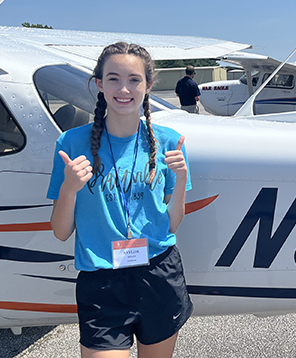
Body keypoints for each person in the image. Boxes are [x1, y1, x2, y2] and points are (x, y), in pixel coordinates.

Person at [47, 42, 192, 358]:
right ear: (99, 84)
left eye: (134, 79)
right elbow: (60, 232)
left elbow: (172, 224)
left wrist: (180, 180)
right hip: (102, 282)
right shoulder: (71, 144)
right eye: (113, 78)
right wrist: (69, 188)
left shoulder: (169, 142)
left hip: (158, 274)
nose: (123, 88)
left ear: (148, 85)